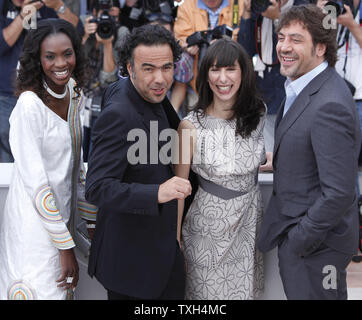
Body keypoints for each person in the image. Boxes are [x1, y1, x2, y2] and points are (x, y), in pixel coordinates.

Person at [257, 4, 361, 299]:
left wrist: (299, 241)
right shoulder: (305, 86)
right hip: (311, 245)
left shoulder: (329, 103)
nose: (284, 47)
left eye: (296, 40)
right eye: (281, 38)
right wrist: (283, 159)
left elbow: (339, 192)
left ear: (320, 48)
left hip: (316, 250)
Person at [85, 24, 192, 300]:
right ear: (130, 69)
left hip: (163, 252)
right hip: (133, 267)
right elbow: (97, 188)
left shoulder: (145, 92)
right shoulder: (119, 114)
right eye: (148, 68)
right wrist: (157, 192)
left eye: (167, 68)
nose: (160, 78)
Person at [0, 18, 97, 300]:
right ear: (36, 60)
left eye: (67, 53)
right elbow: (37, 184)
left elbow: (76, 167)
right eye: (50, 56)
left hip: (63, 221)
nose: (60, 63)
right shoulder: (29, 106)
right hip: (32, 227)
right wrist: (65, 248)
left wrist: (91, 222)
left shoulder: (74, 91)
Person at [175, 38, 267, 300]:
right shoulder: (190, 126)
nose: (223, 78)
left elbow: (251, 160)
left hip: (250, 226)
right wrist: (175, 241)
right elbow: (179, 187)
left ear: (243, 73)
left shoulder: (258, 114)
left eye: (230, 69)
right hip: (207, 232)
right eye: (215, 69)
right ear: (205, 75)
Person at [0, 0, 83, 162]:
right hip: (6, 95)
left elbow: (76, 33)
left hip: (44, 93)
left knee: (46, 153)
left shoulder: (47, 6)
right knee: (8, 154)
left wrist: (58, 5)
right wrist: (23, 15)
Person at [237, 0, 307, 152]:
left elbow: (302, 47)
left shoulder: (303, 7)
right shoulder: (260, 7)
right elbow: (244, 50)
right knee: (269, 156)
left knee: (293, 152)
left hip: (294, 91)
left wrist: (278, 18)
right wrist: (247, 14)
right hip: (264, 90)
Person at [81, 0, 129, 161]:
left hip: (109, 101)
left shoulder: (121, 32)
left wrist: (108, 44)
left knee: (98, 155)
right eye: (103, 13)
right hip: (82, 103)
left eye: (112, 12)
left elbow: (110, 80)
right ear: (93, 13)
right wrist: (85, 36)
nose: (107, 20)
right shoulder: (84, 24)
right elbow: (73, 67)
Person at [173, 0, 244, 94]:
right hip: (197, 66)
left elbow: (245, 38)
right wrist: (188, 46)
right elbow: (181, 36)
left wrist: (224, 43)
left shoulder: (239, 4)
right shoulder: (187, 6)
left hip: (231, 61)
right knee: (182, 59)